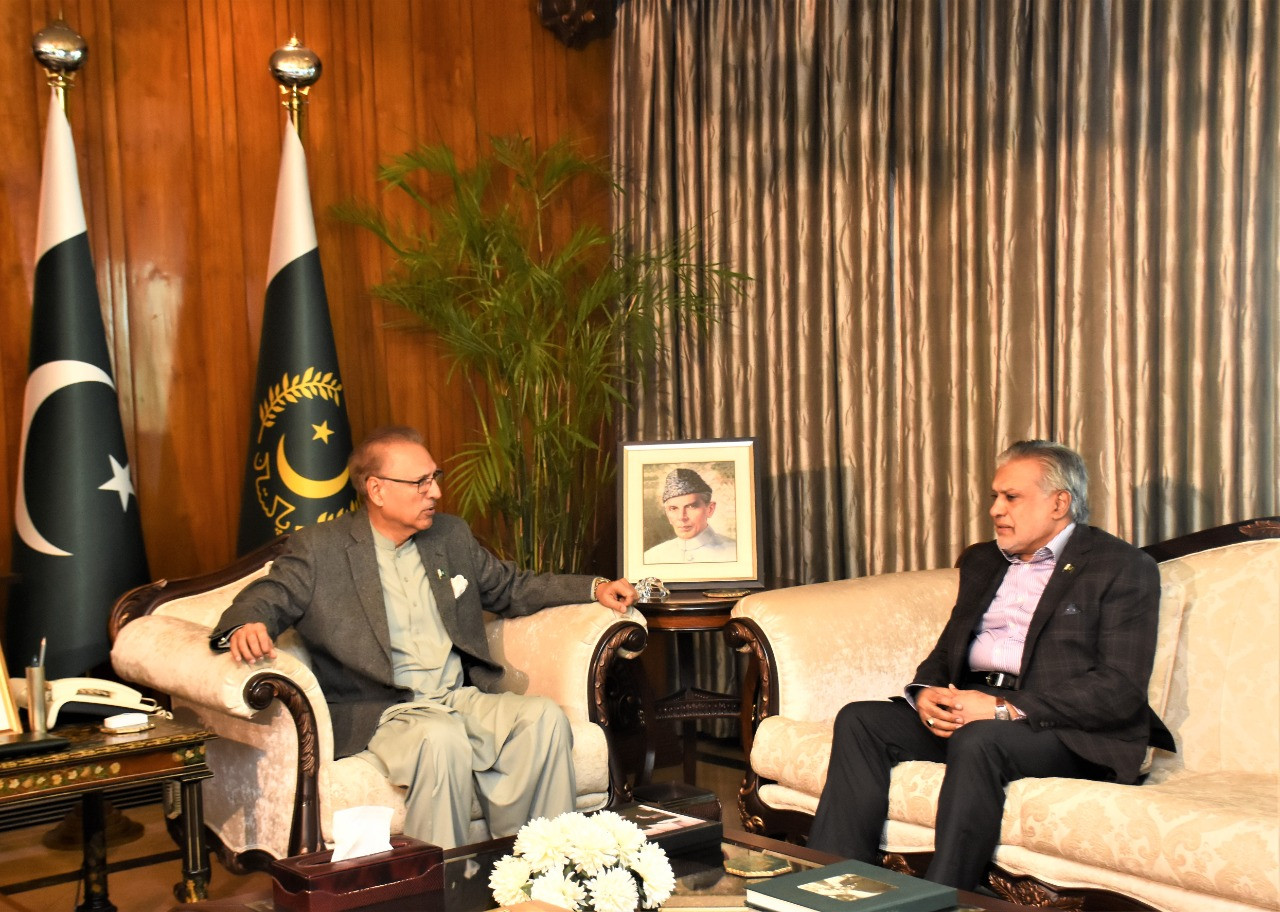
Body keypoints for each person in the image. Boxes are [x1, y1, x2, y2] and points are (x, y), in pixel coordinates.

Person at [209, 425, 638, 849]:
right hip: (384, 710)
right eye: (420, 482)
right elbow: (267, 596)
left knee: (541, 719)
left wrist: (593, 588)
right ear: (376, 489)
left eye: (435, 478)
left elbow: (511, 587)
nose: (434, 492)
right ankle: (441, 886)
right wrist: (249, 622)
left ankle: (529, 871)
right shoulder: (320, 549)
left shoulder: (449, 536)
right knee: (440, 739)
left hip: (457, 698)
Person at [808, 440, 1173, 890]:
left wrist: (1002, 709)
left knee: (981, 739)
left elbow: (1118, 688)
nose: (996, 510)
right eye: (995, 497)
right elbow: (948, 648)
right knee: (861, 720)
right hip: (974, 710)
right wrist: (926, 693)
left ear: (1060, 503)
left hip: (1065, 730)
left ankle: (944, 897)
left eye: (1011, 497)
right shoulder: (984, 560)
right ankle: (833, 886)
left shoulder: (1121, 566)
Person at [642, 467, 737, 563]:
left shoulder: (735, 554)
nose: (682, 517)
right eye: (673, 508)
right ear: (667, 513)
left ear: (710, 509)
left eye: (691, 507)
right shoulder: (651, 557)